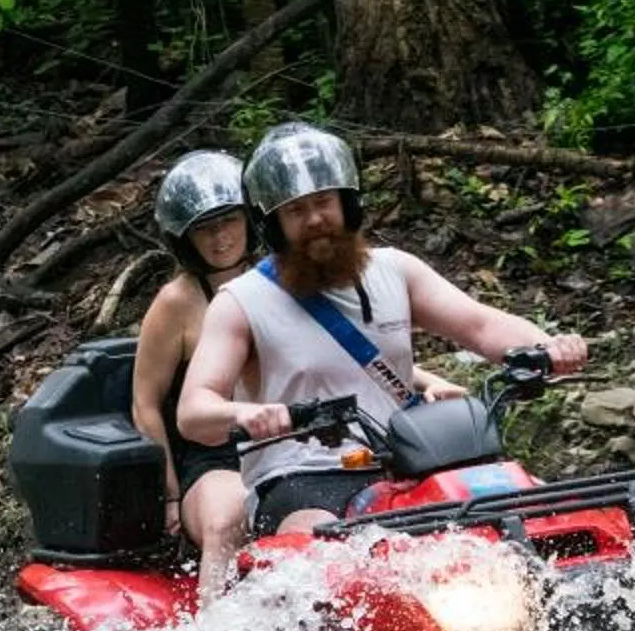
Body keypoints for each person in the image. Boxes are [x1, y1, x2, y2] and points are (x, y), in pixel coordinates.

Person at [174, 122, 589, 579]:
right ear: (273, 225)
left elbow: (481, 324)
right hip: (304, 477)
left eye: (324, 202)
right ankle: (240, 627)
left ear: (348, 203)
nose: (314, 219)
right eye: (295, 210)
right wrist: (249, 415)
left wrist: (546, 347)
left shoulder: (395, 271)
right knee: (322, 559)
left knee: (545, 515)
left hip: (407, 463)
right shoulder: (241, 301)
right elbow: (194, 410)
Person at [129, 150, 256, 598]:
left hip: (287, 443)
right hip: (213, 459)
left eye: (230, 221)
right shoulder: (175, 302)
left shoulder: (279, 279)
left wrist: (423, 382)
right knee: (228, 519)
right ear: (185, 239)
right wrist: (170, 495)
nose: (221, 237)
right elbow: (145, 403)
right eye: (205, 228)